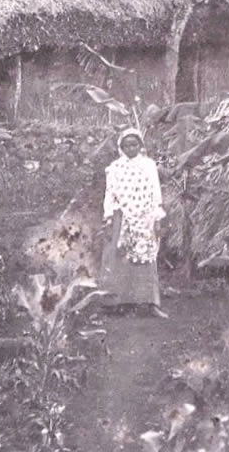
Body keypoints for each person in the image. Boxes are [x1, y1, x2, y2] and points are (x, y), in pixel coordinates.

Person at [99, 127, 168, 318]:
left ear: (140, 145)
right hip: (122, 217)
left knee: (146, 258)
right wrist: (108, 217)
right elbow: (110, 194)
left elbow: (155, 193)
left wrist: (157, 218)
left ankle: (150, 303)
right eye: (126, 145)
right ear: (121, 147)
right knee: (118, 257)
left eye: (134, 144)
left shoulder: (148, 165)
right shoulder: (115, 168)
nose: (131, 148)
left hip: (145, 217)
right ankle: (116, 302)